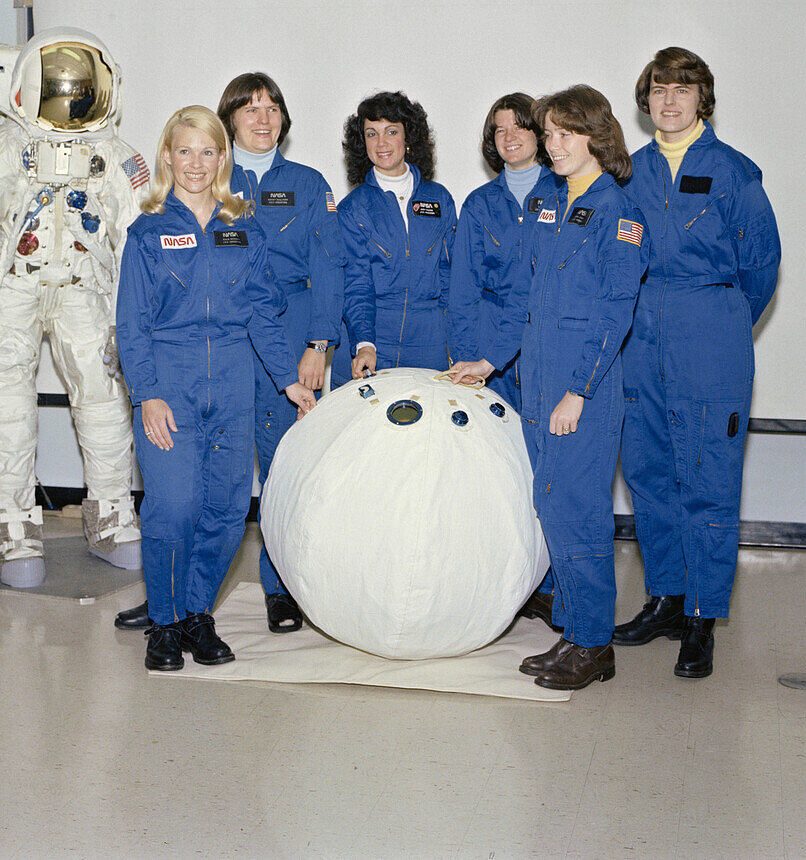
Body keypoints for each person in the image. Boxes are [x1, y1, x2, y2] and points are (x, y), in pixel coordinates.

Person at [450, 85, 648, 690]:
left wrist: (579, 391)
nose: (553, 146)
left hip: (577, 391)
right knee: (551, 507)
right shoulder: (551, 205)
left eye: (565, 134)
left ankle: (593, 643)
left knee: (578, 512)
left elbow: (616, 313)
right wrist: (490, 360)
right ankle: (574, 629)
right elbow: (524, 301)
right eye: (551, 134)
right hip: (534, 380)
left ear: (597, 137)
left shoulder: (620, 211)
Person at [115, 106, 315, 671]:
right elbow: (130, 325)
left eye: (208, 151)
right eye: (185, 151)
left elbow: (261, 314)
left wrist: (287, 381)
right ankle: (165, 621)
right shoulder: (148, 232)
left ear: (223, 158)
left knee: (226, 511)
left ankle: (198, 615)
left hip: (233, 382)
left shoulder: (242, 227)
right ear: (167, 157)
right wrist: (146, 394)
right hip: (169, 384)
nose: (196, 163)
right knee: (173, 507)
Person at [0, 28, 143, 588]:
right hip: (12, 293)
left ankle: (110, 513)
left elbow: (138, 238)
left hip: (86, 289)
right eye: (59, 87)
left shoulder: (117, 157)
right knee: (6, 408)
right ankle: (12, 525)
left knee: (104, 400)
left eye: (82, 87)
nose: (71, 99)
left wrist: (131, 323)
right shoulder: (1, 151)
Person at [614, 47, 780, 679]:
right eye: (659, 90)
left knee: (708, 481)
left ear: (702, 99)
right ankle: (666, 599)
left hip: (709, 341)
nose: (670, 101)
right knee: (652, 475)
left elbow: (760, 269)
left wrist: (720, 323)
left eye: (683, 90)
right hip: (642, 343)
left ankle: (702, 619)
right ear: (647, 98)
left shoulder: (736, 173)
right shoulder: (631, 172)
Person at [220, 72, 344, 633]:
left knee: (285, 467)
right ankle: (187, 595)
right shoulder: (209, 179)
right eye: (250, 109)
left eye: (272, 108)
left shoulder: (309, 183)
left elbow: (328, 271)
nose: (263, 119)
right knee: (216, 472)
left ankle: (282, 589)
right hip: (224, 337)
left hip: (294, 330)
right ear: (230, 119)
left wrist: (319, 345)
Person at [446, 93, 561, 631]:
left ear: (541, 134)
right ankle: (506, 584)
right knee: (498, 471)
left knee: (549, 471)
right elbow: (462, 287)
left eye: (520, 127)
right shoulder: (477, 204)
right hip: (488, 352)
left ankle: (555, 586)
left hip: (544, 348)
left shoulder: (565, 191)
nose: (509, 138)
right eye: (498, 131)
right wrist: (468, 358)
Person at [332, 91, 456, 385]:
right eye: (371, 133)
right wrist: (364, 343)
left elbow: (453, 276)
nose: (381, 143)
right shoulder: (353, 208)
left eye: (391, 132)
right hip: (375, 340)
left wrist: (458, 344)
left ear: (409, 138)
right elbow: (356, 282)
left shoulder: (440, 200)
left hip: (431, 340)